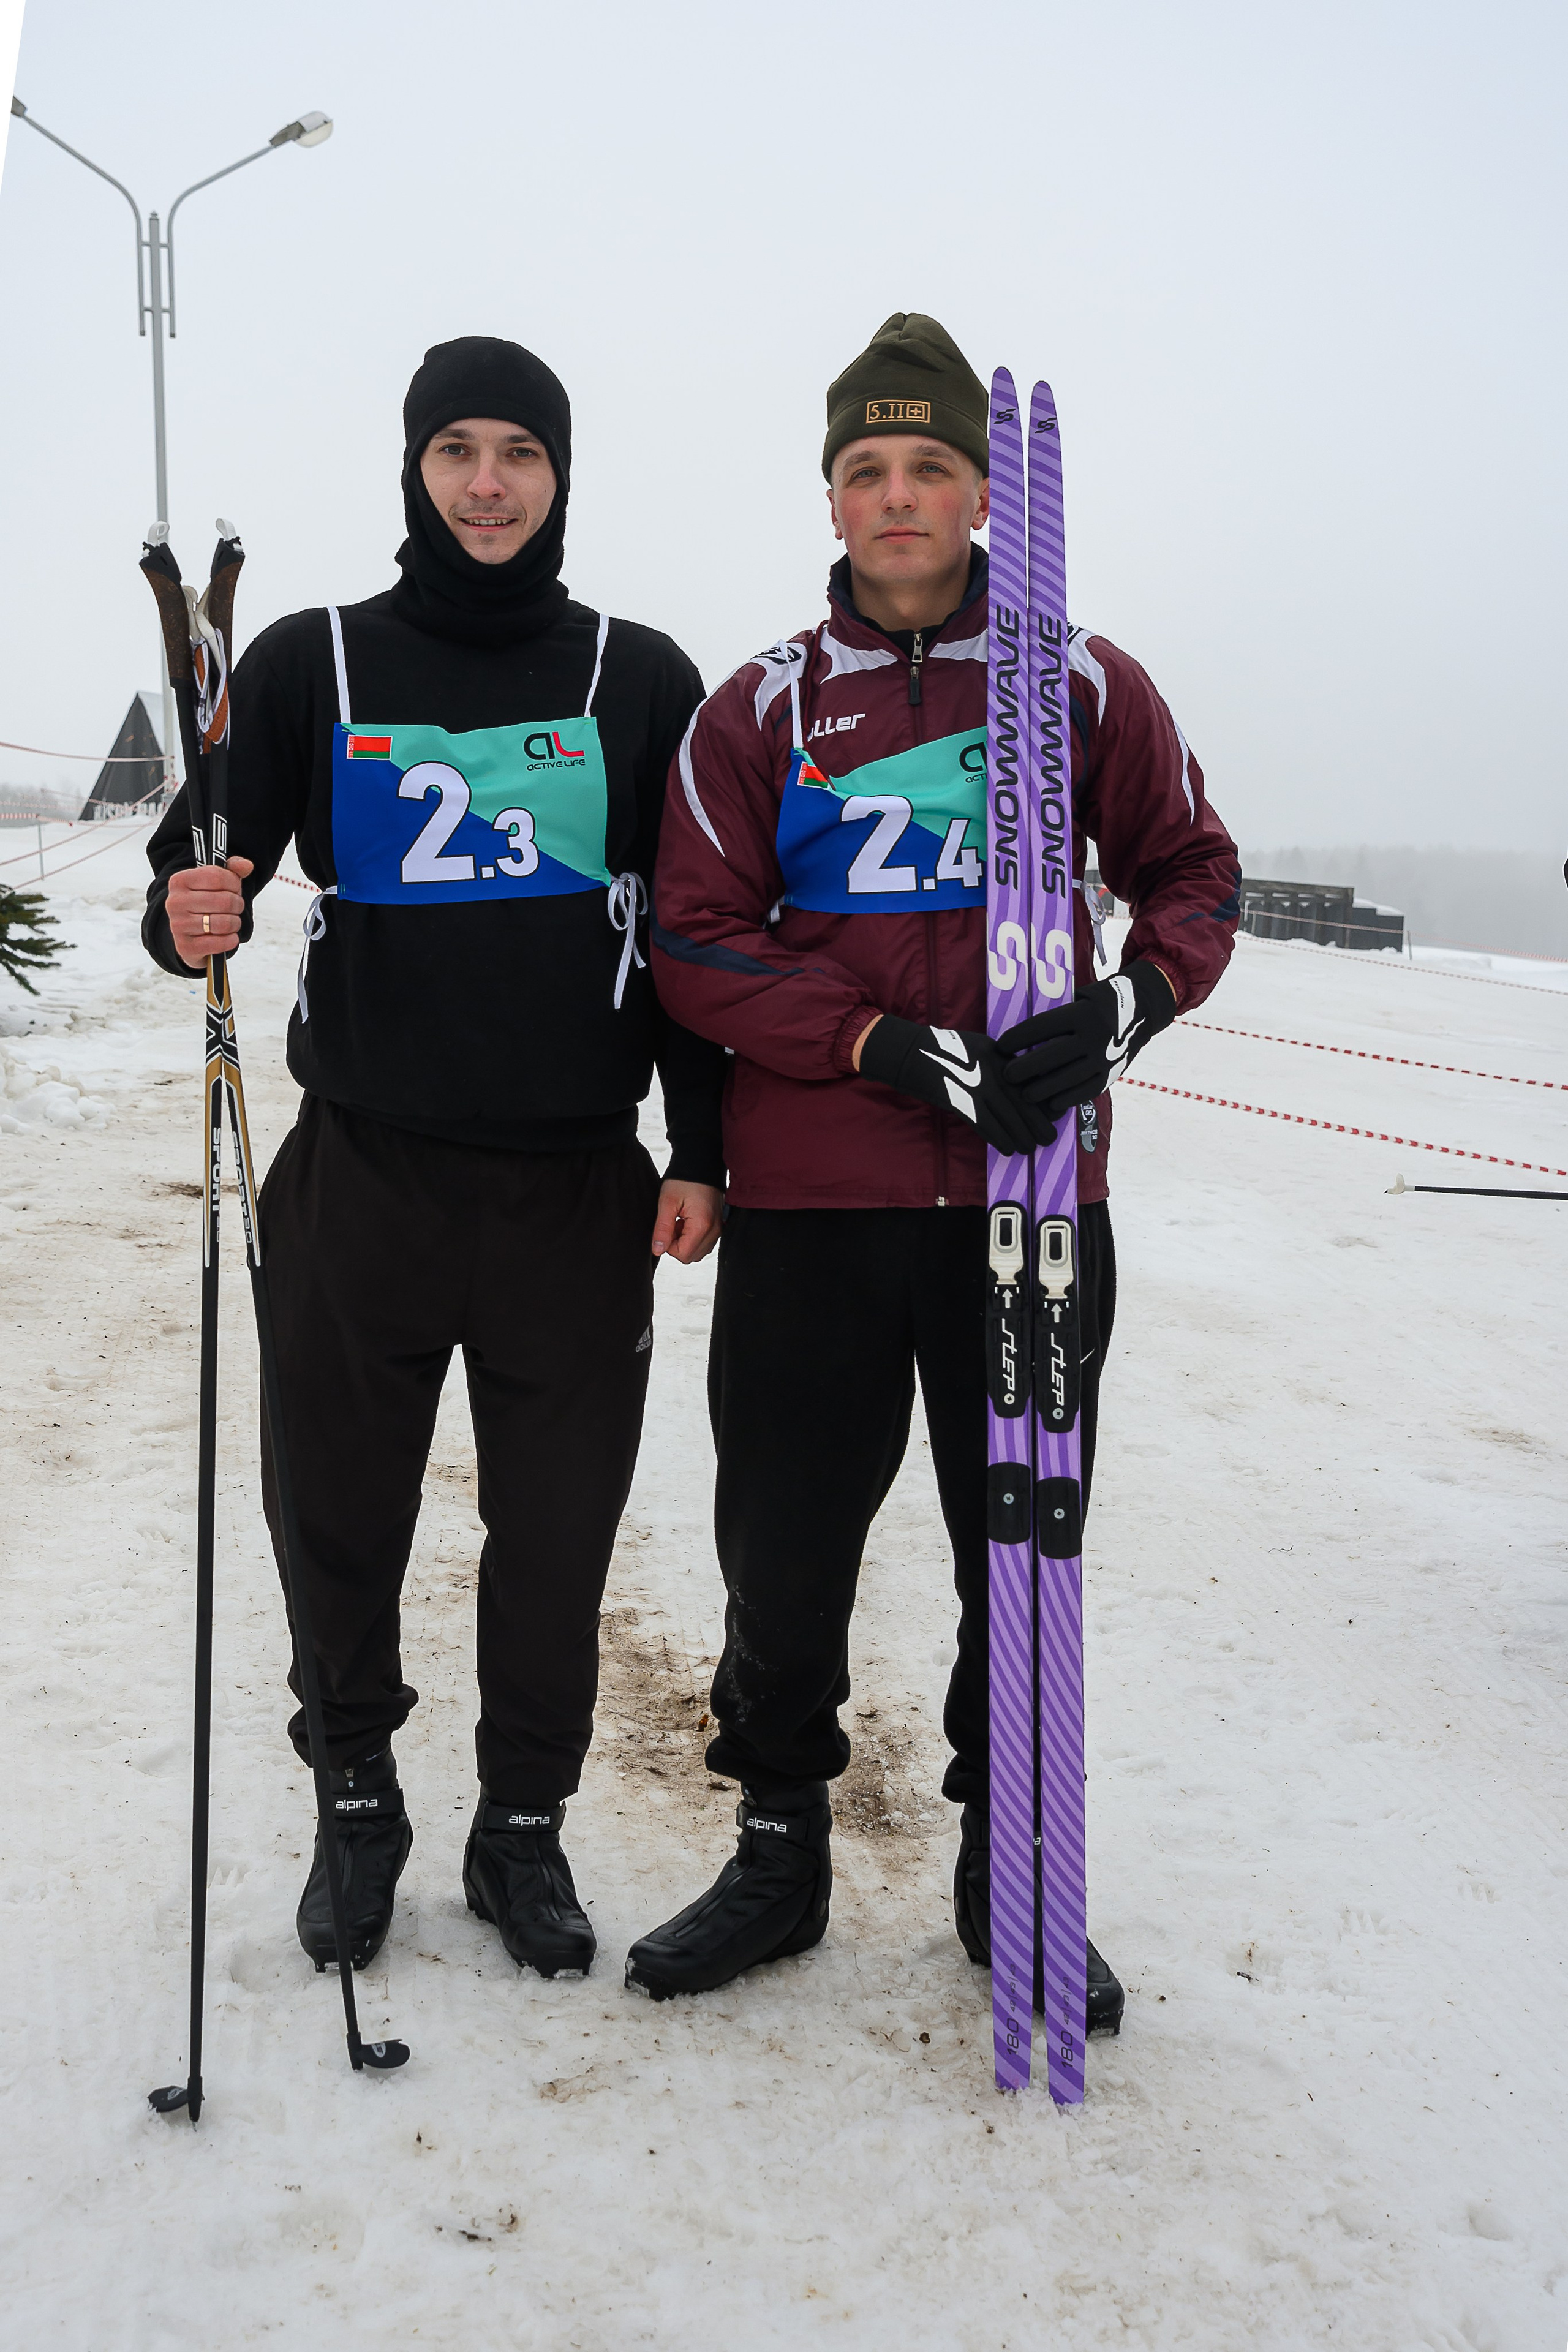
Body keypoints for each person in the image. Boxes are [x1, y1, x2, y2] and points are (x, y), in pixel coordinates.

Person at [634, 312, 1238, 2019]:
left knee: (1017, 1543)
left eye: (931, 468)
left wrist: (1122, 1007)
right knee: (786, 1540)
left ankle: (1009, 1864)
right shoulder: (761, 705)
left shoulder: (1084, 682)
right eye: (867, 470)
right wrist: (875, 1043)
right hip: (819, 1208)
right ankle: (776, 1844)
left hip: (1028, 1211)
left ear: (983, 492)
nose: (899, 498)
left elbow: (1194, 869)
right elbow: (694, 933)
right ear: (831, 498)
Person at [143, 336, 725, 1983]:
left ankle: (520, 1826)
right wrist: (191, 910)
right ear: (416, 467)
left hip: (572, 1191)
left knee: (556, 1533)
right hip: (363, 1176)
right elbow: (210, 856)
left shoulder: (638, 674)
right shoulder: (316, 660)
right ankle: (357, 1796)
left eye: (518, 453)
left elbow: (684, 939)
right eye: (457, 449)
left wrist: (704, 1144)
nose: (487, 482)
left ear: (558, 475)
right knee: (335, 1510)